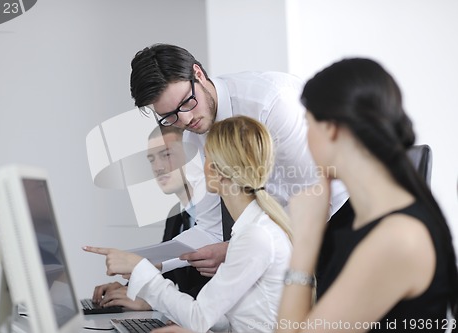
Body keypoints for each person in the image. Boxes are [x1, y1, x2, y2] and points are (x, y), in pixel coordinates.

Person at [129, 43, 350, 277]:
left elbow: (316, 199)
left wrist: (237, 249)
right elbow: (211, 228)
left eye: (187, 103)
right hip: (277, 241)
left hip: (339, 217)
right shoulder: (190, 136)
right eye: (169, 116)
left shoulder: (272, 104)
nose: (185, 119)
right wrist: (147, 264)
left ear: (198, 74)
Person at [275, 58, 458, 332]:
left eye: (308, 124)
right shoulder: (358, 221)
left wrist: (304, 242)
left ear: (331, 128)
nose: (306, 137)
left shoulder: (397, 238)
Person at [84, 116, 293, 333]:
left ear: (215, 169)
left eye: (203, 157)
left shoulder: (255, 236)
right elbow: (231, 318)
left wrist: (142, 271)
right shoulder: (252, 229)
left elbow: (200, 317)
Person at [91, 126, 210, 310]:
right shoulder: (175, 217)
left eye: (166, 155)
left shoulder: (219, 216)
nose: (158, 167)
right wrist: (129, 291)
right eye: (152, 160)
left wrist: (153, 301)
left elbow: (218, 291)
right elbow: (163, 275)